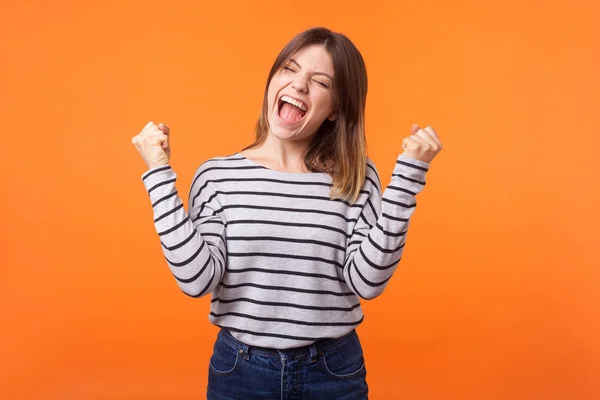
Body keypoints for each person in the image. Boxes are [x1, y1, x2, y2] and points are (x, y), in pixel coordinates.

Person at [132, 27, 442, 400]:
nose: (298, 85)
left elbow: (368, 282)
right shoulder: (217, 175)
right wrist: (158, 173)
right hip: (240, 370)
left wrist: (409, 176)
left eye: (320, 81)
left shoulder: (355, 178)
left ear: (336, 109)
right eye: (289, 69)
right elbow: (195, 280)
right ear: (273, 79)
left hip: (332, 372)